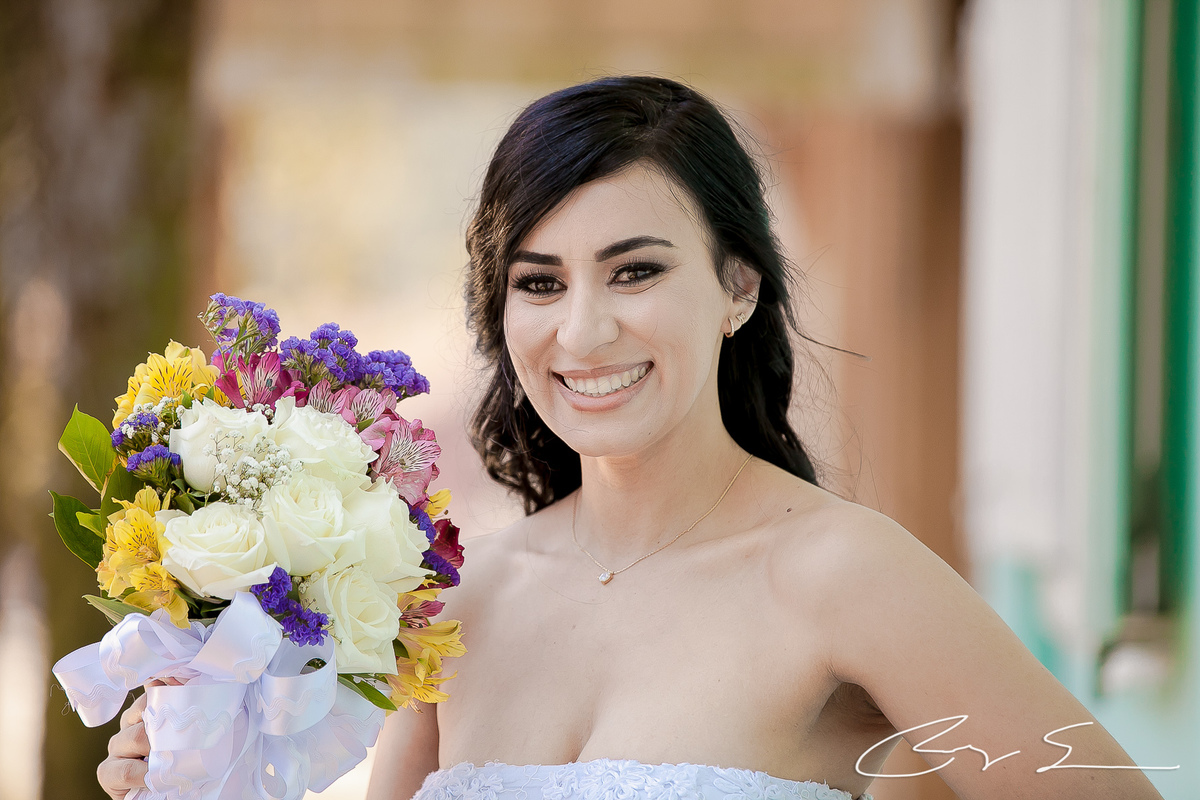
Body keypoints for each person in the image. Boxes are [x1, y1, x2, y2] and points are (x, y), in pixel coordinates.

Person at [99, 76, 1168, 800]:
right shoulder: (458, 603)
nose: (584, 329)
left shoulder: (843, 572)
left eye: (637, 269)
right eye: (539, 282)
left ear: (739, 285)